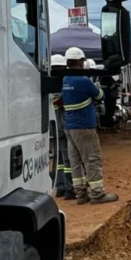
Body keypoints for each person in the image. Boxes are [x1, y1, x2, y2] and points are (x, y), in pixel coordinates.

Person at [62, 46, 118, 205]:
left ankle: (80, 194)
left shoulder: (65, 79)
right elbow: (100, 96)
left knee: (75, 161)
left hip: (70, 127)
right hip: (84, 126)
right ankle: (97, 194)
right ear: (80, 62)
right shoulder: (84, 80)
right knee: (92, 159)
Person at [50, 54, 74, 201]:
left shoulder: (49, 83)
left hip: (54, 128)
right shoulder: (63, 84)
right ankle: (70, 189)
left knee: (59, 160)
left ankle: (60, 187)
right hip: (63, 126)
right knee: (67, 160)